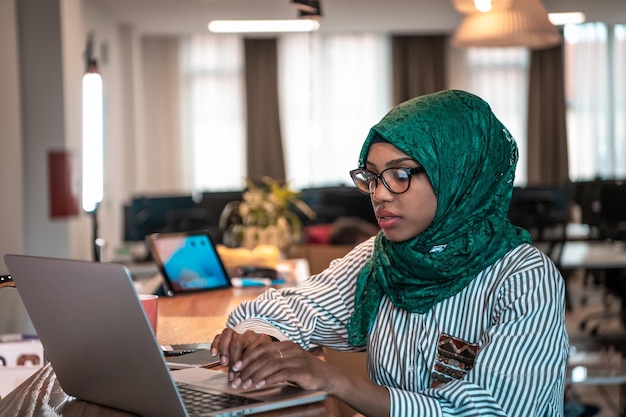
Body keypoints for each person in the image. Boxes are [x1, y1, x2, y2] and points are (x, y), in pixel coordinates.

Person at [211, 89, 569, 416]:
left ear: (455, 174)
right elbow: (285, 309)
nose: (379, 194)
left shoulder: (524, 277)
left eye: (399, 174)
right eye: (371, 176)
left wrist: (337, 381)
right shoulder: (382, 258)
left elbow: (492, 412)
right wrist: (260, 343)